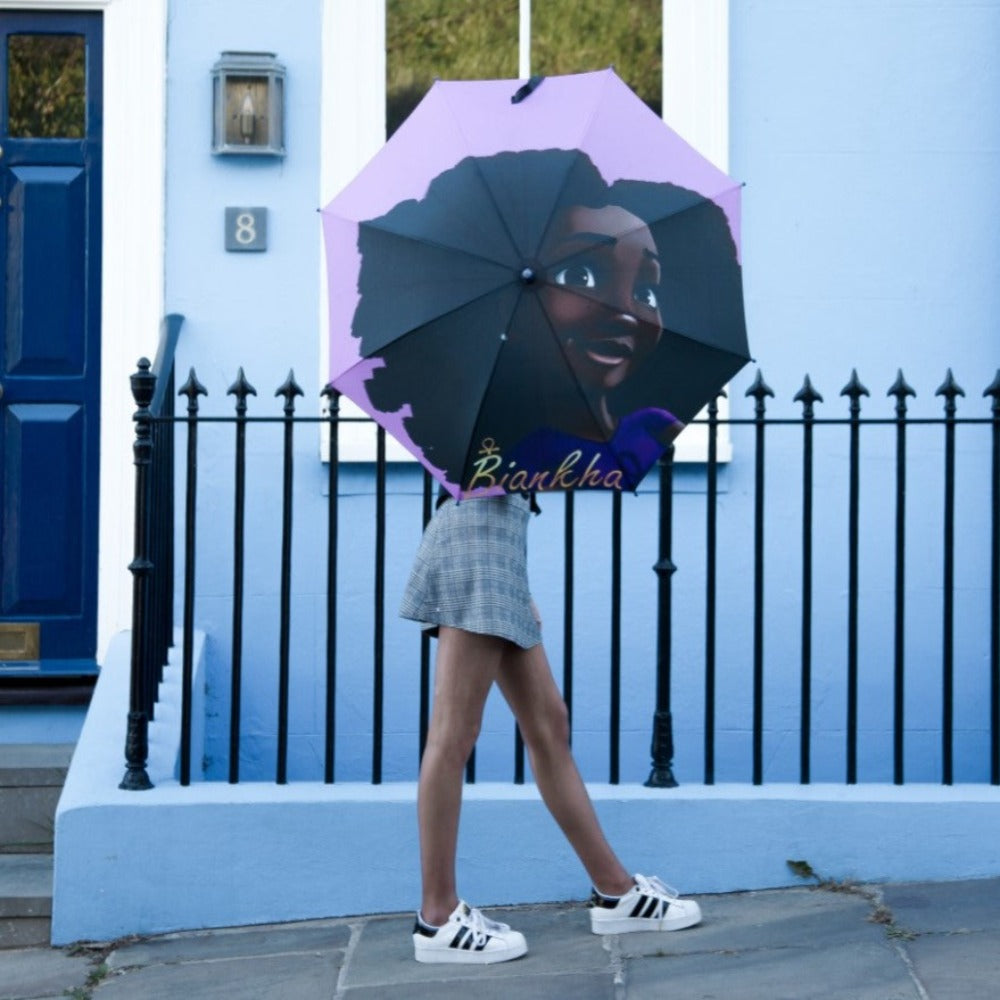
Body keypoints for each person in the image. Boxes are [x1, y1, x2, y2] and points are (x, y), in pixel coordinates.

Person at [399, 490, 702, 964]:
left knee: (548, 723)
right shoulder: (485, 431)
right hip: (476, 546)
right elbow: (473, 482)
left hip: (498, 554)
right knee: (453, 733)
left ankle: (615, 892)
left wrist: (520, 588)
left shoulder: (515, 433)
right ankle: (436, 917)